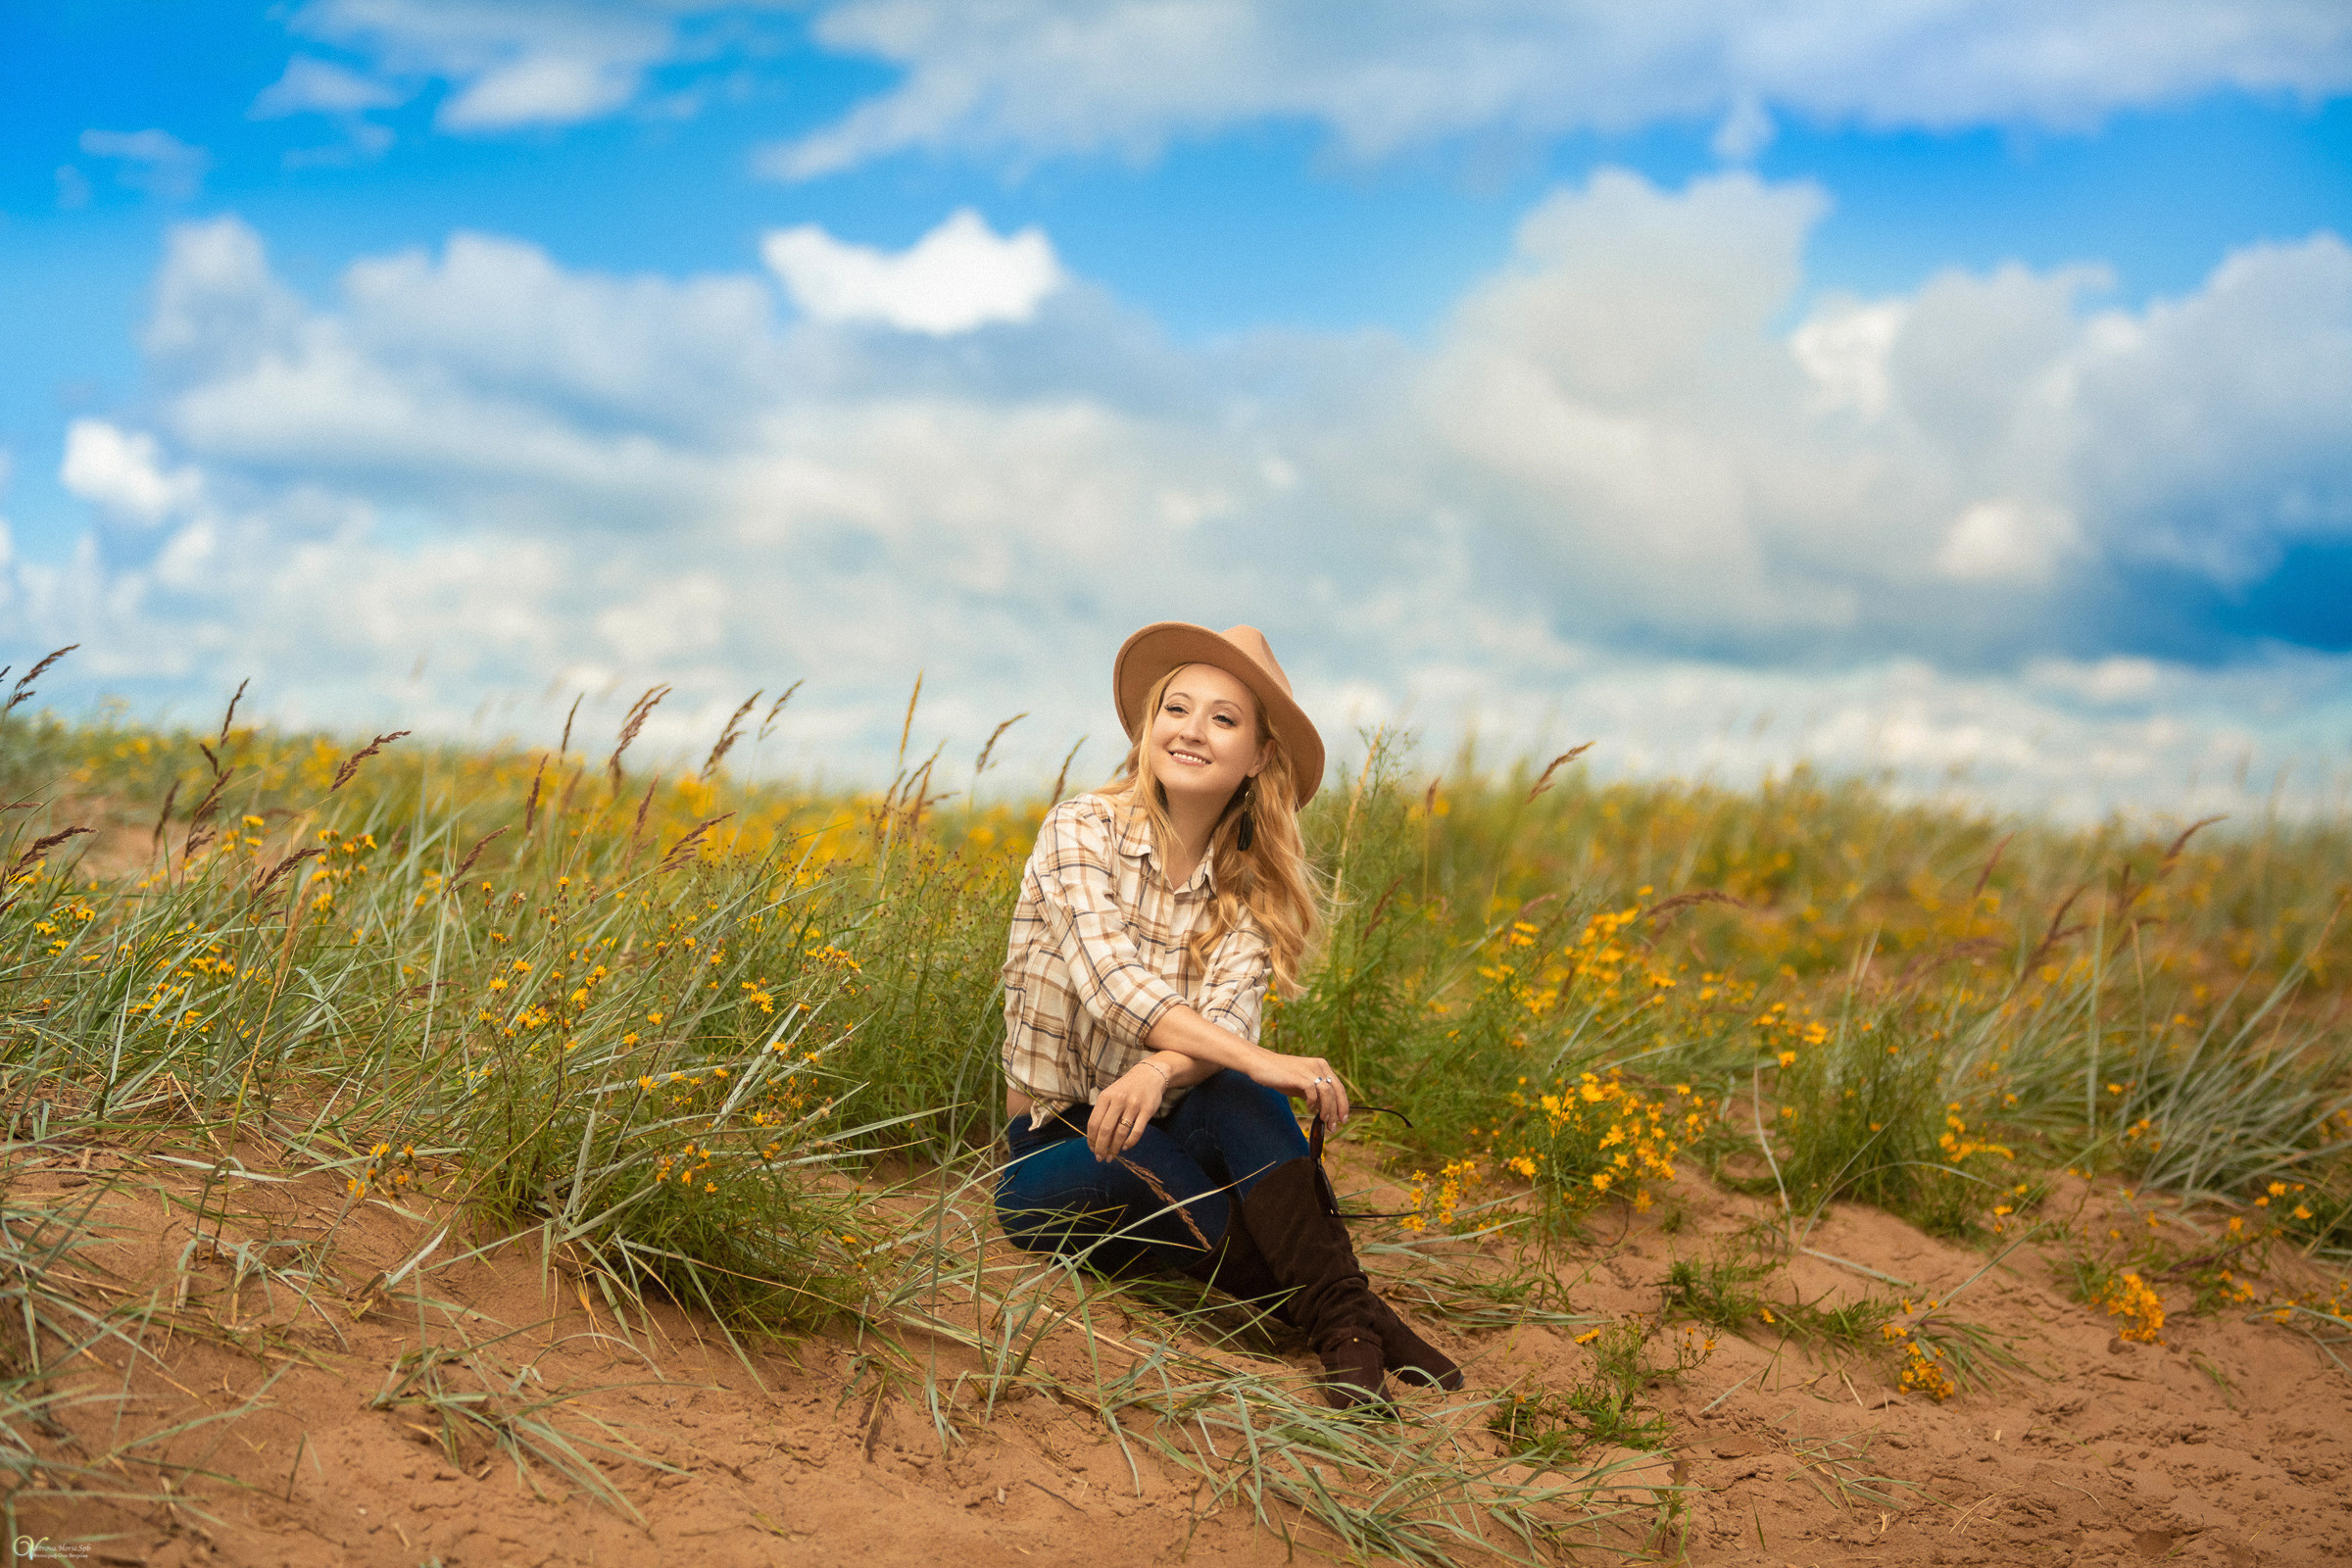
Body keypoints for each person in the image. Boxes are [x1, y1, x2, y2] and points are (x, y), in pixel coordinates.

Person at [994, 620, 1461, 1408]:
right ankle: (1353, 1312)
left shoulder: (1252, 888)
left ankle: (1345, 1328)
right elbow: (1110, 983)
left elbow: (1224, 1024)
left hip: (1182, 1127)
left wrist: (1164, 1068)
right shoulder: (1081, 828)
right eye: (1177, 708)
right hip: (1054, 1155)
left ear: (1260, 755)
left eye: (1224, 718)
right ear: (1149, 726)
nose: (1192, 731)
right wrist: (1258, 1059)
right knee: (1176, 1124)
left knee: (1237, 1096)